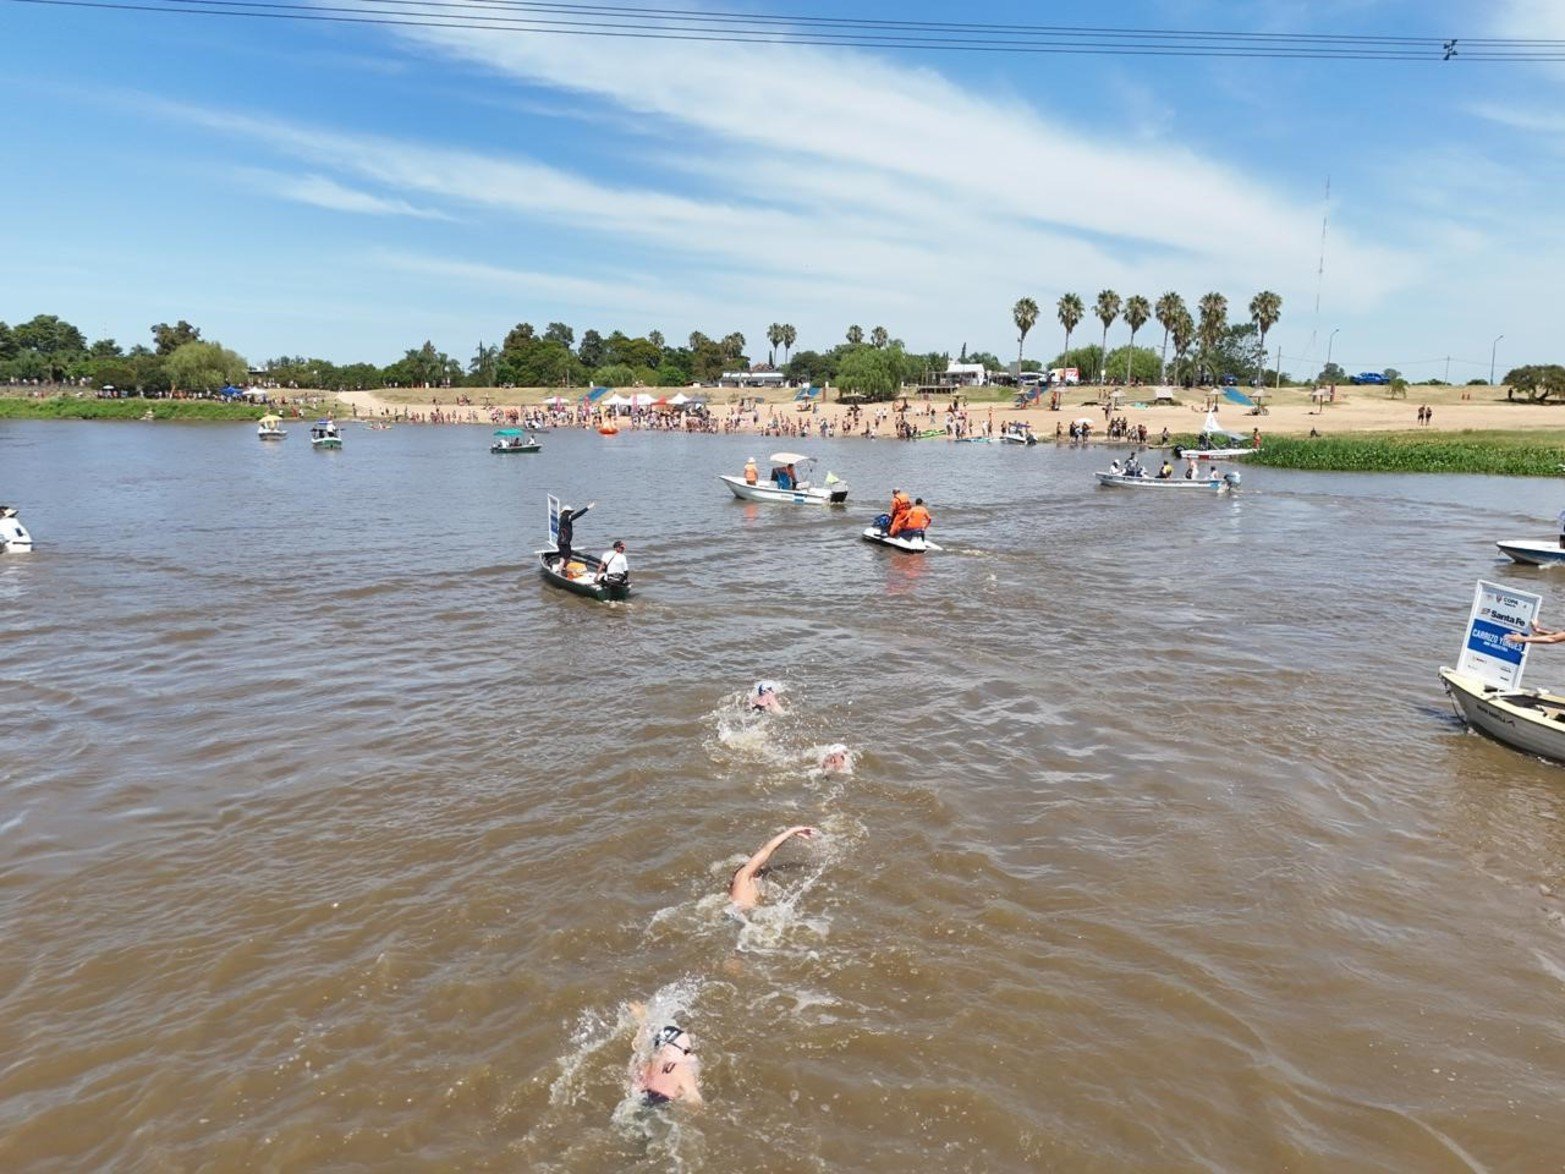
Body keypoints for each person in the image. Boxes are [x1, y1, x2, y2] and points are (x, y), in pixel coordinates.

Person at [629, 1004, 703, 1107]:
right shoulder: (680, 1069)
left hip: (638, 1103)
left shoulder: (643, 1065)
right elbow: (695, 1100)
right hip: (662, 1106)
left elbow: (639, 1046)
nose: (689, 1054)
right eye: (686, 1050)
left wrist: (643, 1020)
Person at [729, 825, 817, 911]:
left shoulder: (745, 886)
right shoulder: (744, 874)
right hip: (738, 917)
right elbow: (767, 849)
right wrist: (792, 831)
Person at [555, 501, 595, 565]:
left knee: (565, 558)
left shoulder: (562, 518)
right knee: (564, 559)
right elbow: (578, 514)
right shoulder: (566, 518)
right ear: (566, 512)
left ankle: (563, 569)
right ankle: (559, 571)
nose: (570, 513)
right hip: (564, 543)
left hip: (563, 542)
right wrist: (588, 508)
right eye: (569, 512)